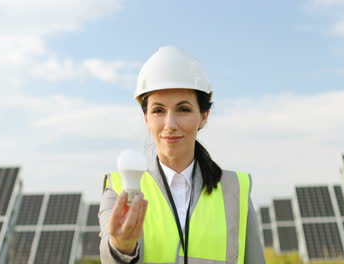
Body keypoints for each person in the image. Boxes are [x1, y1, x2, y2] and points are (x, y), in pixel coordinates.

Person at [99, 46, 265, 264]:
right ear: (146, 118)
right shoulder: (119, 188)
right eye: (158, 110)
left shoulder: (235, 188)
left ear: (204, 116)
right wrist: (121, 247)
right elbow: (108, 256)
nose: (170, 124)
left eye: (183, 109)